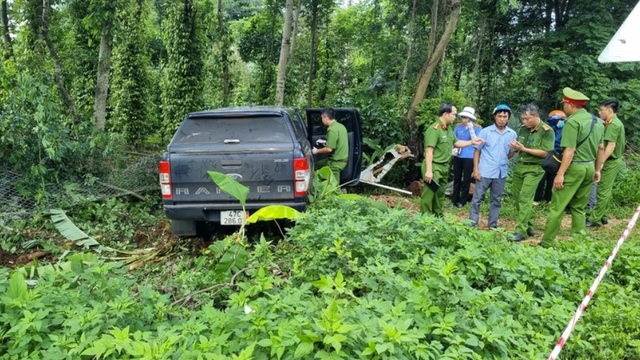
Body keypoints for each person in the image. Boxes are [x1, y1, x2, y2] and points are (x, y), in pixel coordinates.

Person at [540, 88, 605, 248]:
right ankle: (579, 242)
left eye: (564, 104)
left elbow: (570, 150)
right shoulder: (597, 122)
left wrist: (560, 173)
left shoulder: (572, 122)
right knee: (580, 207)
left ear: (570, 105)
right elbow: (601, 148)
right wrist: (597, 170)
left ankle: (547, 243)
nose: (563, 107)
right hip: (589, 167)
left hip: (573, 168)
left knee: (557, 207)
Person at [420, 103, 484, 216]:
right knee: (429, 194)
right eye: (454, 114)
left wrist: (472, 142)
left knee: (440, 194)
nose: (455, 117)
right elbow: (429, 151)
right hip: (434, 166)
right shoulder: (434, 129)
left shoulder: (448, 129)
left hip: (444, 166)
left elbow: (457, 143)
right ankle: (423, 217)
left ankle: (438, 216)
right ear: (445, 114)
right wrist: (429, 171)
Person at [508, 104, 555, 241]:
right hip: (519, 167)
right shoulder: (523, 130)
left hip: (534, 169)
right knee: (517, 198)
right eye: (523, 119)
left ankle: (520, 231)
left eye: (527, 119)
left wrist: (523, 149)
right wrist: (515, 148)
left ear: (536, 116)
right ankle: (528, 226)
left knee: (525, 197)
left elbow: (546, 152)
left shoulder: (547, 131)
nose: (524, 122)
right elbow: (520, 147)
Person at [468, 104, 517, 229]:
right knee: (477, 198)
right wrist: (476, 169)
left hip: (501, 172)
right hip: (485, 171)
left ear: (508, 118)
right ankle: (472, 223)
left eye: (505, 116)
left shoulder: (512, 134)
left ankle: (493, 224)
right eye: (499, 116)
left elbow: (511, 152)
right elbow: (477, 150)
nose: (502, 119)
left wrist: (504, 159)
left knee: (496, 200)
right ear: (495, 117)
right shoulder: (485, 132)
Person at [587, 99, 625, 227]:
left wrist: (601, 161)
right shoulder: (612, 122)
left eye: (602, 110)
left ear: (609, 110)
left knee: (602, 190)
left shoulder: (613, 124)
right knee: (605, 190)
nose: (599, 112)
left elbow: (611, 145)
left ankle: (594, 219)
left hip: (610, 161)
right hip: (612, 160)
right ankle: (602, 215)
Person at [449, 107, 482, 209]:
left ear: (470, 118)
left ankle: (462, 201)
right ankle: (454, 200)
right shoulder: (458, 127)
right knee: (457, 178)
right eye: (463, 117)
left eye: (466, 117)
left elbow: (477, 141)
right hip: (458, 155)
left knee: (467, 179)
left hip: (469, 156)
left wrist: (471, 128)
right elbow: (454, 139)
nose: (463, 119)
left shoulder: (477, 128)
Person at [535, 110, 565, 203]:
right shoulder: (546, 128)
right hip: (546, 154)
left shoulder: (565, 128)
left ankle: (549, 198)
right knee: (542, 177)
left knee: (553, 177)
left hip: (557, 155)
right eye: (561, 119)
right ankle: (537, 198)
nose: (563, 121)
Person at [313, 108, 348, 182]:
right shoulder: (341, 126)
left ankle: (336, 193)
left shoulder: (332, 130)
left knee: (333, 186)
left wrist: (316, 151)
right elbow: (337, 142)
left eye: (322, 118)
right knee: (317, 165)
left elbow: (329, 149)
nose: (322, 120)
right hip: (341, 159)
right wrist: (325, 142)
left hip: (336, 162)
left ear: (325, 118)